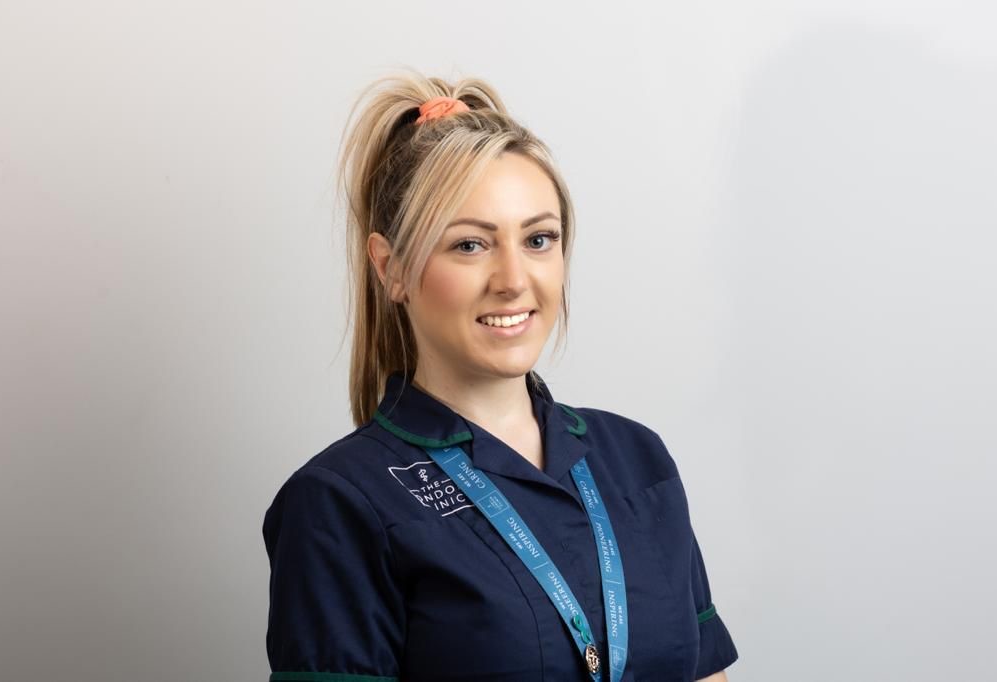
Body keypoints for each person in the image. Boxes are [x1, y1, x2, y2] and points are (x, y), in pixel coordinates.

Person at [262, 69, 739, 682]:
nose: (514, 280)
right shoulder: (338, 502)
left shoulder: (637, 459)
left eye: (538, 239)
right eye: (470, 245)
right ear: (392, 268)